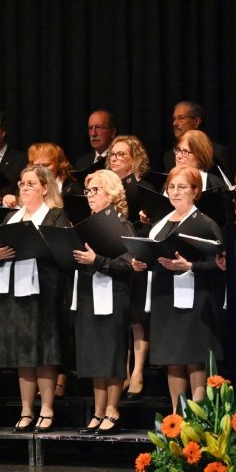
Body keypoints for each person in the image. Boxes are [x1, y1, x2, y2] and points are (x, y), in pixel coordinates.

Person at [132, 166, 223, 414]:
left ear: (196, 191)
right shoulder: (160, 224)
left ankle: (198, 418)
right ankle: (177, 418)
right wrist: (141, 262)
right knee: (173, 359)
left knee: (195, 359)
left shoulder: (205, 223)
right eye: (171, 187)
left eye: (182, 187)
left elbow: (220, 263)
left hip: (196, 299)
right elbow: (152, 254)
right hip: (165, 297)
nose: (175, 192)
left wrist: (190, 265)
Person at [0, 165, 70, 433]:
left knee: (44, 351)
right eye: (22, 184)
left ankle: (46, 408)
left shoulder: (55, 216)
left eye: (30, 184)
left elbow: (63, 253)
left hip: (44, 291)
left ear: (45, 189)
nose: (24, 188)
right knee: (21, 351)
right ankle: (26, 409)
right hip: (14, 289)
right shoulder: (11, 219)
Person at [70, 170, 134, 435]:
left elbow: (128, 264)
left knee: (111, 353)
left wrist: (96, 261)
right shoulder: (86, 225)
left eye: (95, 191)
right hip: (88, 293)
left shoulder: (121, 225)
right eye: (88, 191)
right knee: (94, 355)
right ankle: (98, 411)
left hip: (113, 295)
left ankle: (113, 410)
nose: (90, 196)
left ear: (111, 193)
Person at [105, 133, 153, 398]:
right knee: (120, 317)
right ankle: (121, 369)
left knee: (136, 317)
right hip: (114, 254)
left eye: (121, 154)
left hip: (135, 252)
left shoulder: (142, 186)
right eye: (112, 154)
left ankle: (138, 371)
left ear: (135, 159)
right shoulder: (105, 185)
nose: (115, 158)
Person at [162, 102, 232, 172]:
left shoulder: (217, 153)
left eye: (181, 118)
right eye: (174, 119)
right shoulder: (169, 157)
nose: (174, 123)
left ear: (196, 122)